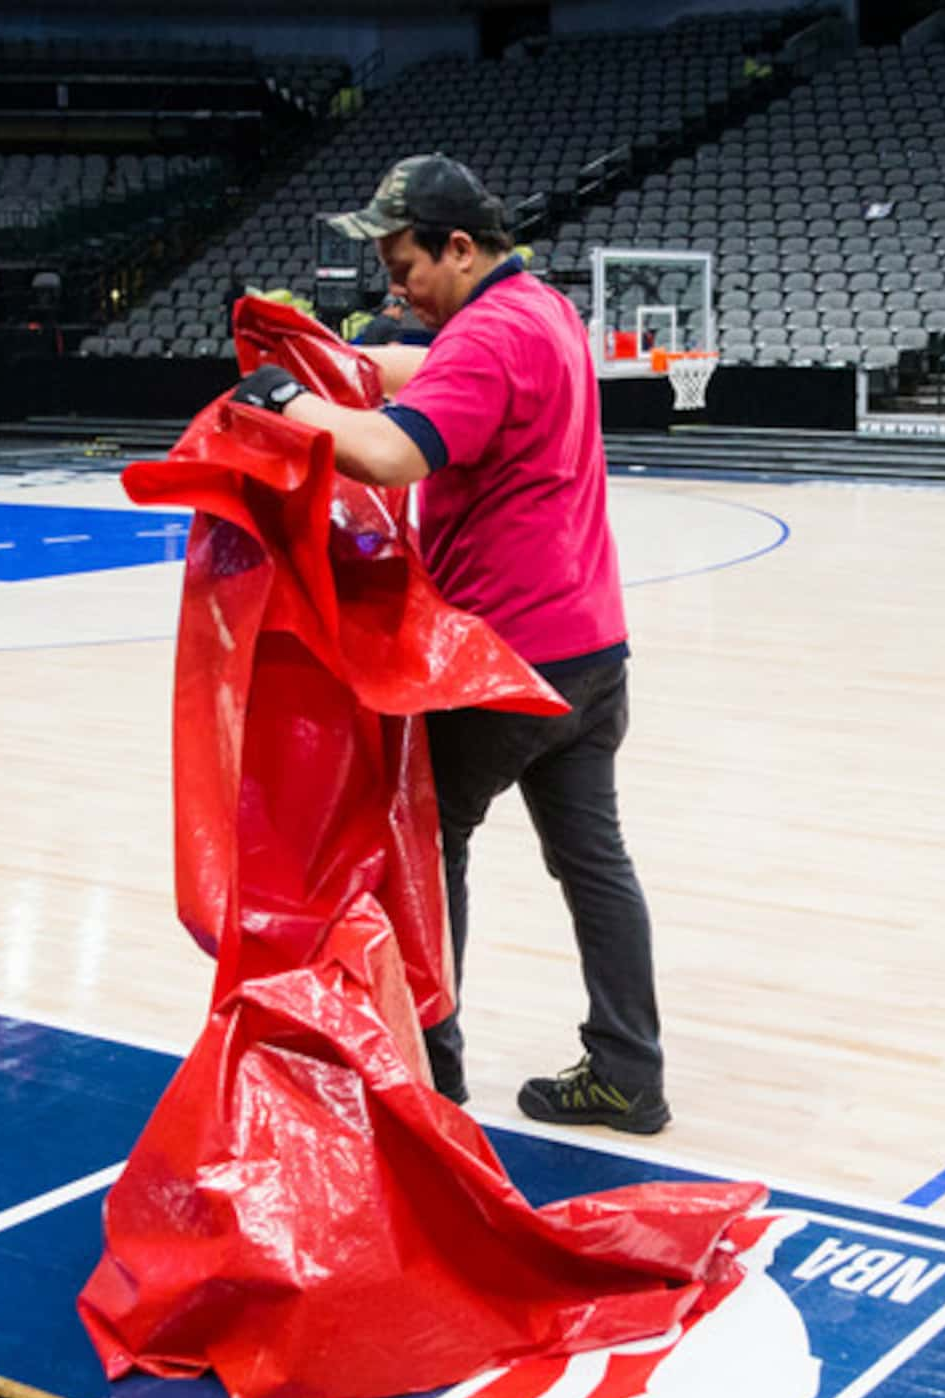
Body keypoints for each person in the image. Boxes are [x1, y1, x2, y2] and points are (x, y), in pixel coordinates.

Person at [242, 154, 670, 1134]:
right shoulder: (543, 312)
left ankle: (430, 1090)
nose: (394, 287)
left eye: (405, 266)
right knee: (593, 861)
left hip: (504, 661)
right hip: (592, 653)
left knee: (428, 855)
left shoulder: (487, 337)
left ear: (461, 248)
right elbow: (413, 371)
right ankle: (629, 1072)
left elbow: (390, 452)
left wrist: (279, 402)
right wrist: (321, 360)